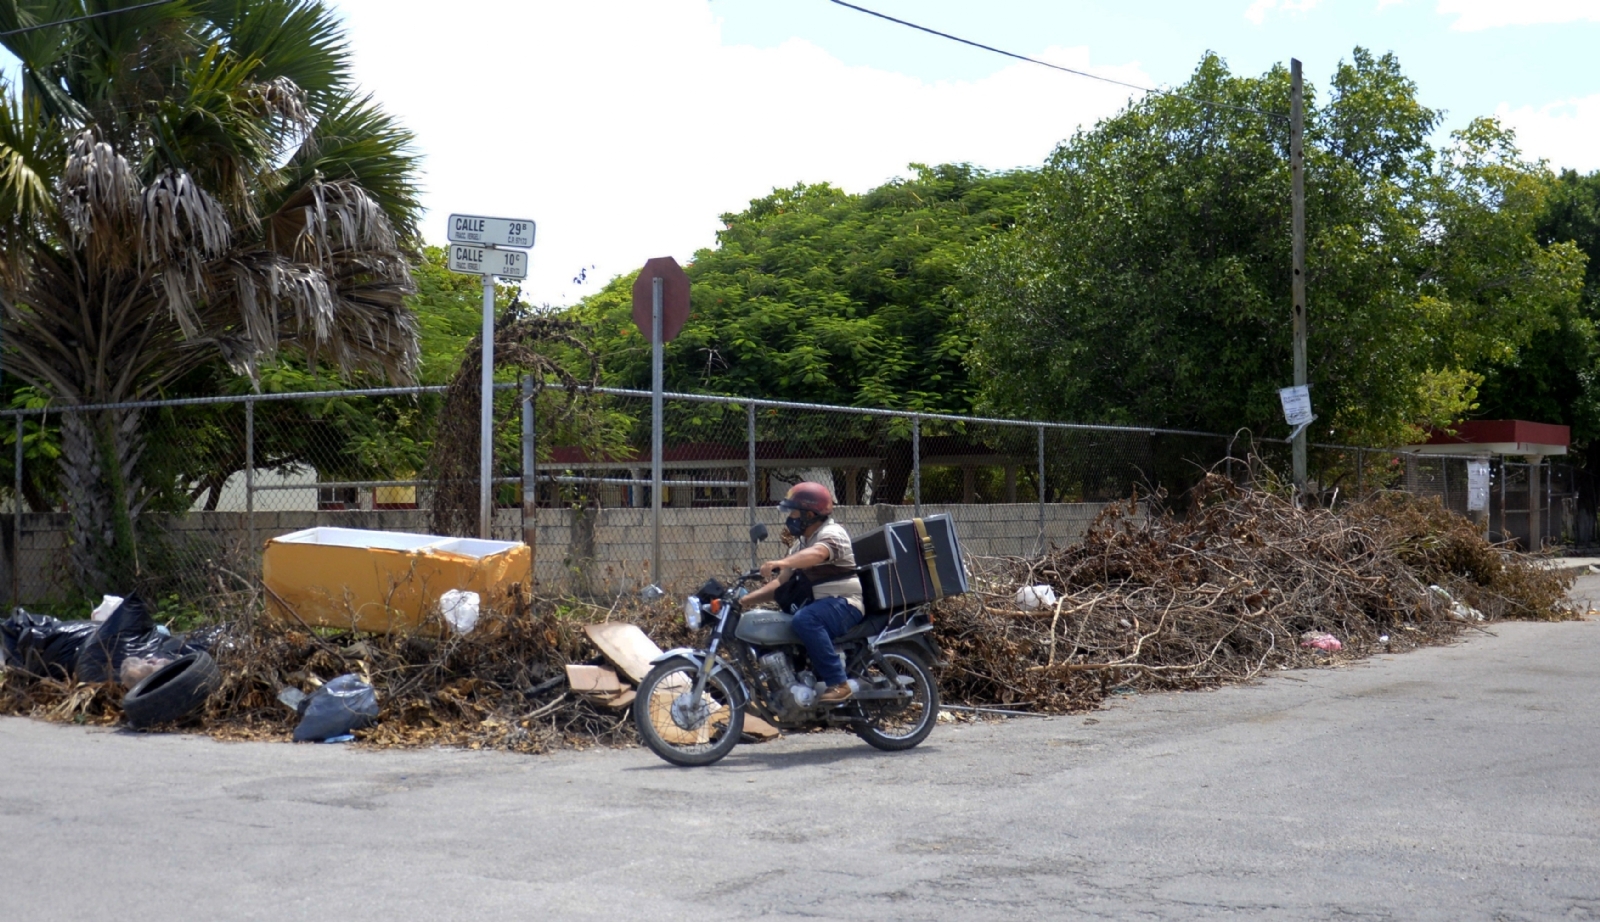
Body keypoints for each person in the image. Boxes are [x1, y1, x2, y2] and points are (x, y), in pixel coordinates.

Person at [740, 482, 863, 704]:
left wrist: (780, 561)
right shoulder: (799, 546)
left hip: (845, 603)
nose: (790, 517)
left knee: (806, 620)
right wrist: (744, 601)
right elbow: (780, 583)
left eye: (794, 511)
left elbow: (818, 554)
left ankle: (839, 683)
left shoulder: (832, 533)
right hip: (820, 604)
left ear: (810, 514)